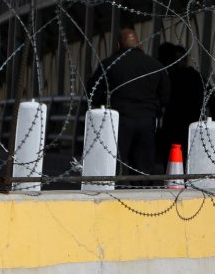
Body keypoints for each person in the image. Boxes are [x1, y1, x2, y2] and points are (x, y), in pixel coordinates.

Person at [85, 27, 170, 179]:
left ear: (118, 45)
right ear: (140, 45)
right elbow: (165, 96)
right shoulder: (155, 66)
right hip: (147, 120)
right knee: (143, 168)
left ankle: (114, 191)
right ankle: (142, 197)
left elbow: (92, 91)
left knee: (114, 164)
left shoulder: (109, 64)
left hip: (118, 120)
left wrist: (102, 105)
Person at [157, 42, 202, 164]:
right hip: (184, 121)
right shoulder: (193, 76)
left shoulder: (170, 77)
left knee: (173, 153)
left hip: (178, 120)